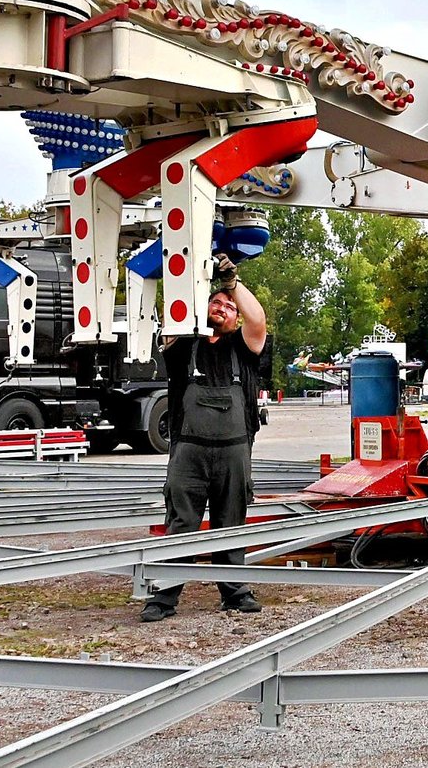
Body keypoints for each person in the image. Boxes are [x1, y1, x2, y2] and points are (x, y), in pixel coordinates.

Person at [140, 257, 268, 621]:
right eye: (216, 302)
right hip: (188, 453)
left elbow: (257, 319)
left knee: (231, 523)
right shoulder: (181, 345)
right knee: (181, 523)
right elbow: (172, 312)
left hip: (234, 452)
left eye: (230, 307)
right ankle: (164, 597)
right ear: (203, 306)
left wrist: (231, 283)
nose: (223, 308)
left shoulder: (244, 348)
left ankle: (234, 592)